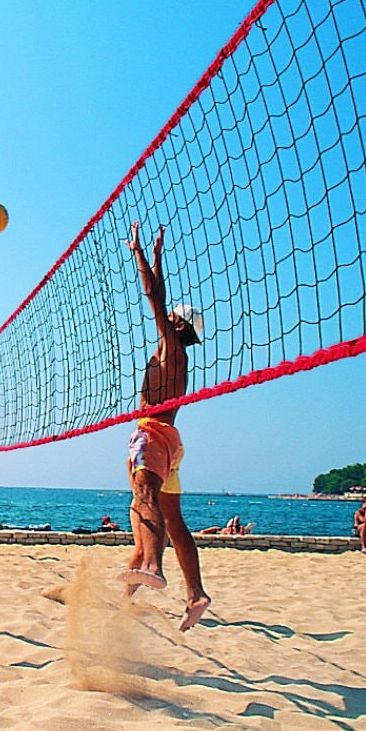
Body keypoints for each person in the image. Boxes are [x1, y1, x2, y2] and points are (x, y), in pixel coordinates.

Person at [119, 222, 212, 632]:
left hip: (153, 435)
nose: (167, 316)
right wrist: (154, 258)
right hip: (169, 442)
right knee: (169, 518)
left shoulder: (172, 348)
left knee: (144, 500)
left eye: (172, 317)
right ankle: (196, 595)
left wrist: (141, 255)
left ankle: (154, 566)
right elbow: (159, 298)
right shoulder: (173, 350)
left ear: (178, 327)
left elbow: (154, 297)